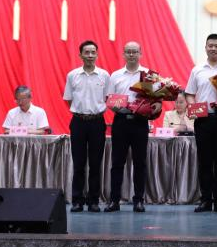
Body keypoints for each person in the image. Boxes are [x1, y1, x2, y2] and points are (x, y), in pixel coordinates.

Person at [105, 41, 160, 214]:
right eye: (128, 51)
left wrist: (155, 106)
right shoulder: (115, 75)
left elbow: (156, 98)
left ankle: (139, 200)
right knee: (117, 163)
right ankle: (114, 200)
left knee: (140, 163)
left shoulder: (148, 75)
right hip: (121, 121)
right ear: (123, 54)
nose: (131, 54)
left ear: (140, 53)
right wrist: (114, 105)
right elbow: (109, 98)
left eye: (134, 51)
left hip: (140, 122)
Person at [185, 33, 217, 213]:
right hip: (203, 120)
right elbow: (190, 93)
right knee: (204, 161)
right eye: (210, 45)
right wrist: (193, 108)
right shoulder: (197, 70)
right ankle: (205, 200)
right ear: (205, 48)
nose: (213, 48)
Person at [63, 40, 112, 213]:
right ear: (80, 55)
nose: (90, 55)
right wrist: (81, 111)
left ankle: (93, 201)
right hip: (78, 122)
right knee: (78, 164)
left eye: (93, 52)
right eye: (87, 52)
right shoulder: (72, 75)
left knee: (95, 164)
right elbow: (68, 99)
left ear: (97, 55)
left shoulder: (104, 75)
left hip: (97, 122)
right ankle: (77, 201)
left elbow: (108, 98)